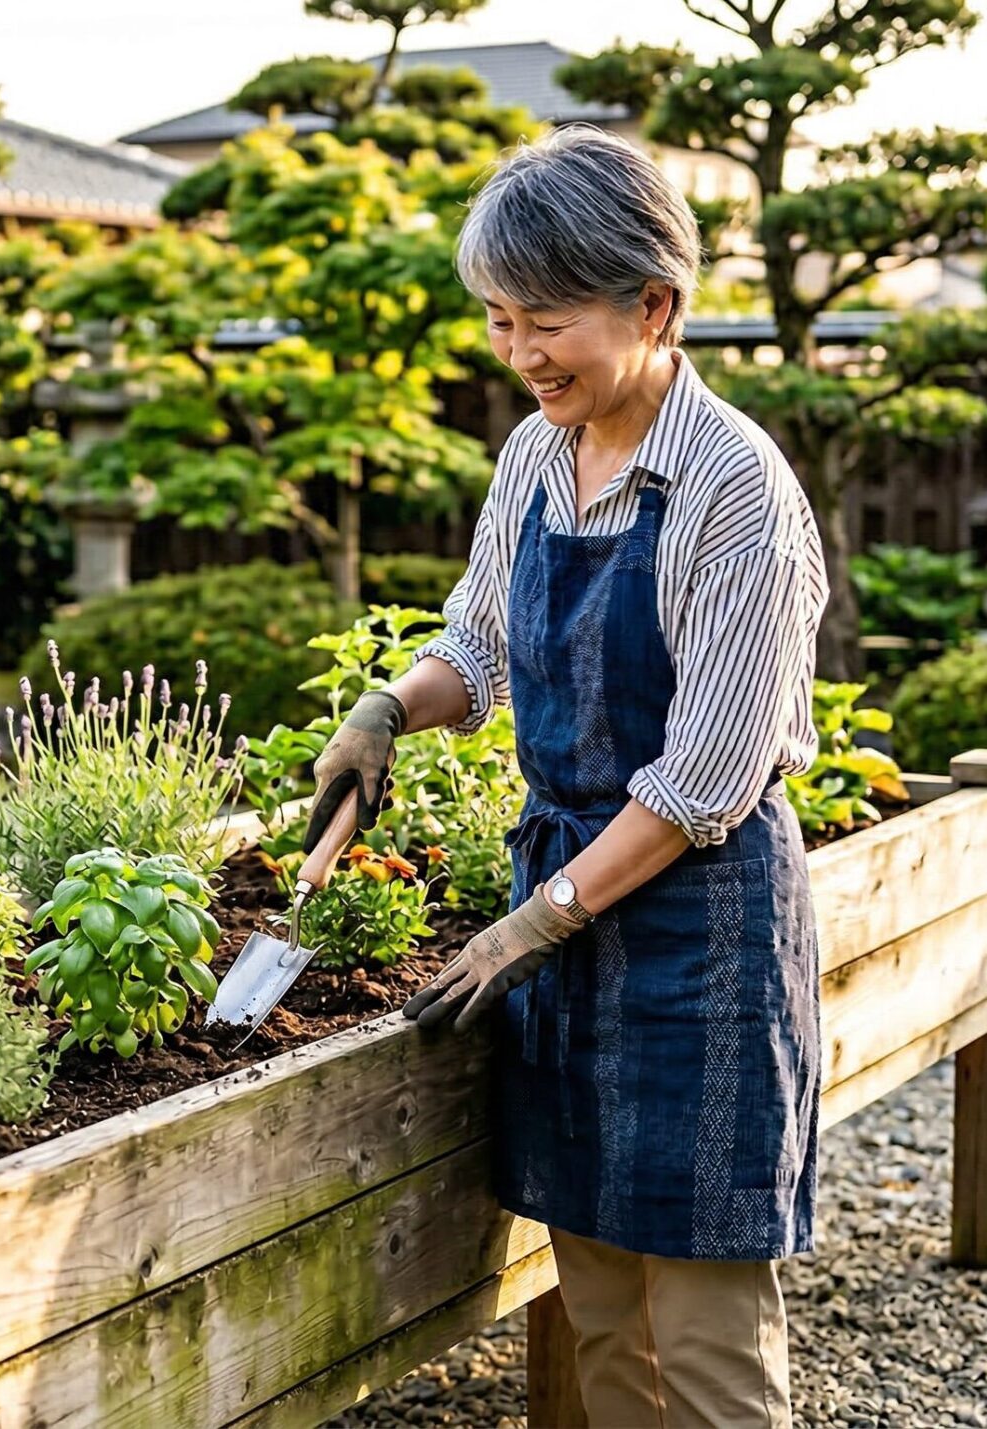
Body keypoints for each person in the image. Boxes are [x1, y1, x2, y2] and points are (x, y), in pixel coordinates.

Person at [306, 125, 825, 1428]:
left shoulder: (734, 489)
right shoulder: (536, 458)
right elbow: (481, 645)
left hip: (698, 933)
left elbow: (707, 770)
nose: (521, 353)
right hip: (567, 919)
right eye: (498, 320)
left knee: (703, 1330)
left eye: (546, 321)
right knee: (598, 1303)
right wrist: (384, 711)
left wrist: (541, 917)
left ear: (653, 305)